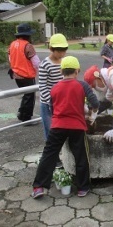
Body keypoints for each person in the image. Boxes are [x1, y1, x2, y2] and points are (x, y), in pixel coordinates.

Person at [31, 56, 99, 199]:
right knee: (81, 156)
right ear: (77, 70)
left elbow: (51, 108)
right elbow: (94, 102)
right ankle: (82, 188)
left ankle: (39, 187)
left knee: (49, 155)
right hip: (77, 127)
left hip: (57, 126)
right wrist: (89, 112)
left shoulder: (55, 88)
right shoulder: (82, 85)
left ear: (61, 71)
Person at [38, 33, 68, 141]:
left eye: (64, 50)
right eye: (59, 51)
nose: (62, 54)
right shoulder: (45, 64)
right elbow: (42, 86)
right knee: (50, 132)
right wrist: (51, 102)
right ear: (51, 49)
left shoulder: (64, 62)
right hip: (48, 103)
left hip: (61, 102)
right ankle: (51, 156)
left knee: (62, 130)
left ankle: (60, 153)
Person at [8, 23, 40, 123]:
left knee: (25, 95)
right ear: (27, 35)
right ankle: (26, 118)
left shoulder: (12, 44)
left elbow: (10, 58)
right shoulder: (28, 46)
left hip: (16, 75)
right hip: (27, 75)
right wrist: (42, 70)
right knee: (29, 97)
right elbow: (36, 62)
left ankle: (21, 114)